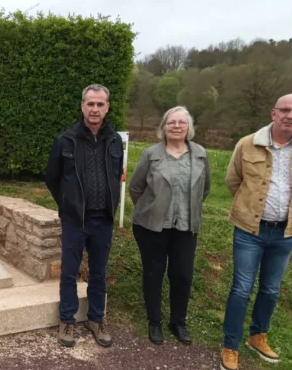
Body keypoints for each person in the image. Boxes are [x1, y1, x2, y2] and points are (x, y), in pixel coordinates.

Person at [220, 94, 292, 370]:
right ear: (273, 113)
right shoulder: (248, 143)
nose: (290, 115)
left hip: (285, 233)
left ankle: (258, 336)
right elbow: (233, 180)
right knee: (241, 289)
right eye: (285, 110)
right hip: (249, 230)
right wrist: (250, 206)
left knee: (271, 289)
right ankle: (231, 345)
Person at [45, 84, 124, 348]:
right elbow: (52, 178)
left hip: (102, 220)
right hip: (74, 220)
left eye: (100, 104)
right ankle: (67, 319)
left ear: (107, 108)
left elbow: (115, 176)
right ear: (82, 106)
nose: (95, 109)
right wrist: (68, 204)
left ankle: (95, 319)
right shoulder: (65, 140)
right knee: (69, 272)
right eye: (90, 104)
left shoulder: (114, 140)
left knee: (99, 272)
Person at [128, 106, 211, 346]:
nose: (176, 126)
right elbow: (136, 187)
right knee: (153, 274)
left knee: (182, 275)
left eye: (181, 123)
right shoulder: (151, 154)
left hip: (186, 228)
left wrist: (187, 210)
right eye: (171, 122)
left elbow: (204, 189)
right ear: (164, 127)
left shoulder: (200, 154)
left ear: (189, 128)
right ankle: (154, 321)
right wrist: (150, 208)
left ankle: (178, 322)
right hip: (152, 227)